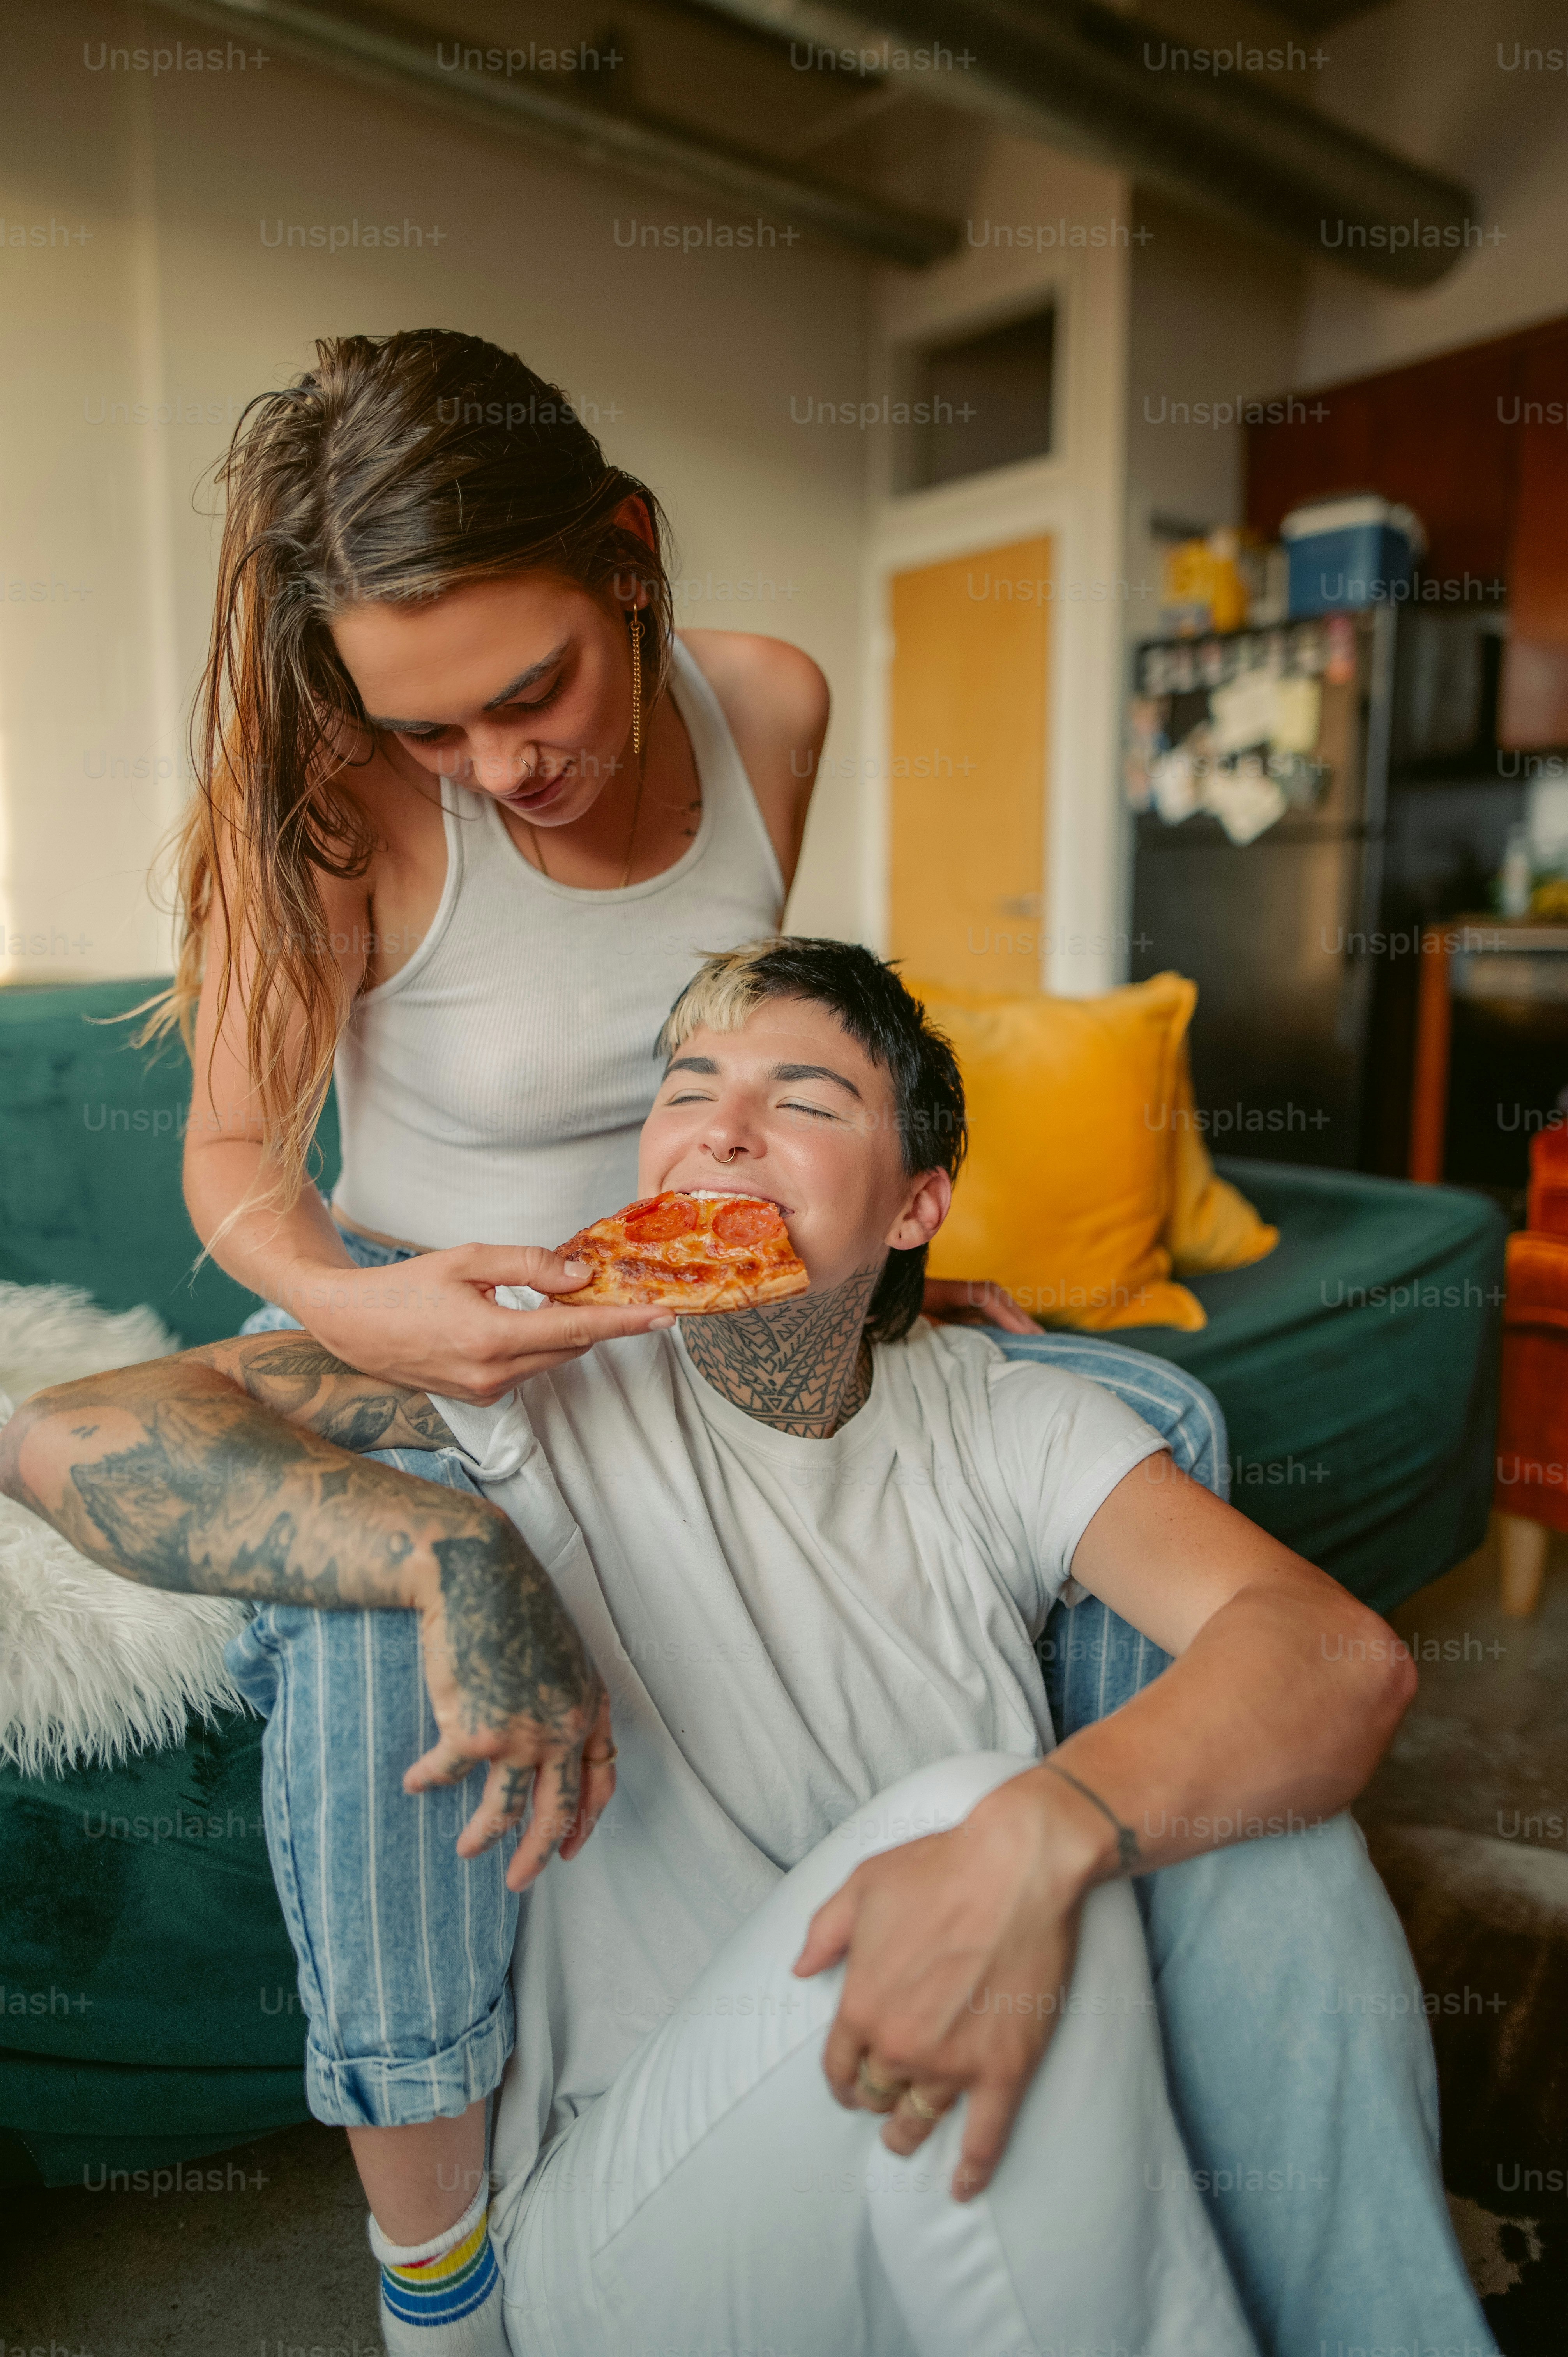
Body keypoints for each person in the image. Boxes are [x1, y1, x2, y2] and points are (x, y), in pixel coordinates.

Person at [5, 940, 1492, 2357]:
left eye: (806, 1102)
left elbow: (1334, 1656)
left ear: (916, 1207)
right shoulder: (526, 1378)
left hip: (941, 2122)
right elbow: (66, 1429)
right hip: (637, 2213)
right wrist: (446, 1545)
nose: (722, 1131)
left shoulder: (1007, 1412)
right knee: (978, 1820)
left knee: (1269, 1837)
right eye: (687, 1093)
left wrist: (1047, 1831)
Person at [159, 325, 1025, 1410]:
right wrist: (342, 1304)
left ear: (627, 557)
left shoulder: (770, 708)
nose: (500, 770)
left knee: (1139, 1410)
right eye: (427, 730)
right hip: (403, 1307)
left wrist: (848, 1273)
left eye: (533, 694)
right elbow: (234, 1142)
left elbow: (738, 1051)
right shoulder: (330, 788)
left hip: (690, 1299)